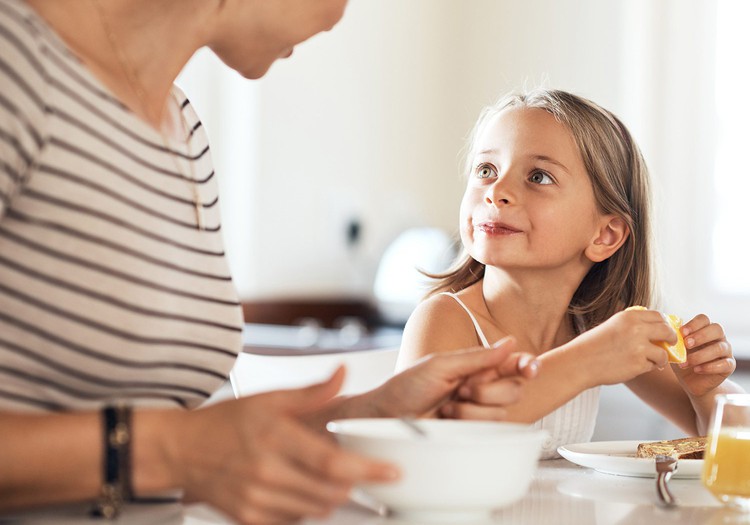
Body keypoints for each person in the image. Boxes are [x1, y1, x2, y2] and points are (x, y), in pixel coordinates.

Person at [0, 0, 540, 523]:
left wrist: (373, 413)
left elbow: (189, 447)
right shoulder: (16, 64)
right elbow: (169, 450)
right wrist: (172, 450)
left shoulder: (180, 128)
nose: (337, 16)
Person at [397, 88, 744, 459]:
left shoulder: (596, 328)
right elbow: (421, 450)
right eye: (486, 170)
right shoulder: (446, 319)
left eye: (539, 177)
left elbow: (736, 443)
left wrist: (704, 393)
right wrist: (585, 362)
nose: (497, 191)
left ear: (604, 235)